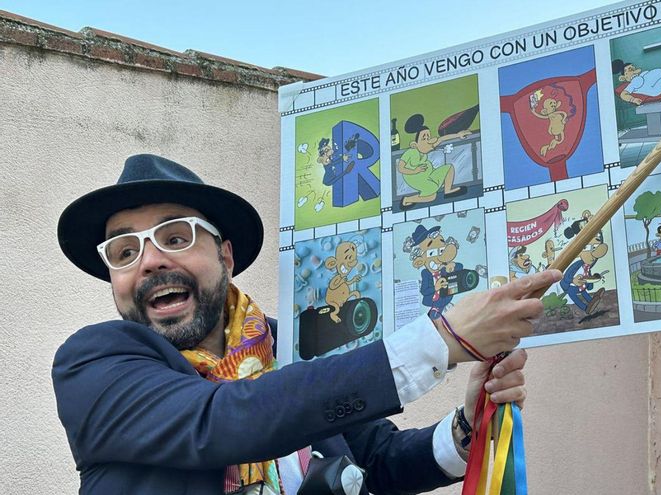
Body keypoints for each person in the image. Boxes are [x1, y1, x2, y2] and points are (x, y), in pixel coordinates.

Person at [53, 154, 561, 495]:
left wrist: (466, 428)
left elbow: (378, 458)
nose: (149, 261)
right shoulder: (95, 364)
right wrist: (441, 341)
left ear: (225, 254)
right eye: (124, 251)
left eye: (176, 236)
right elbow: (226, 419)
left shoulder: (293, 346)